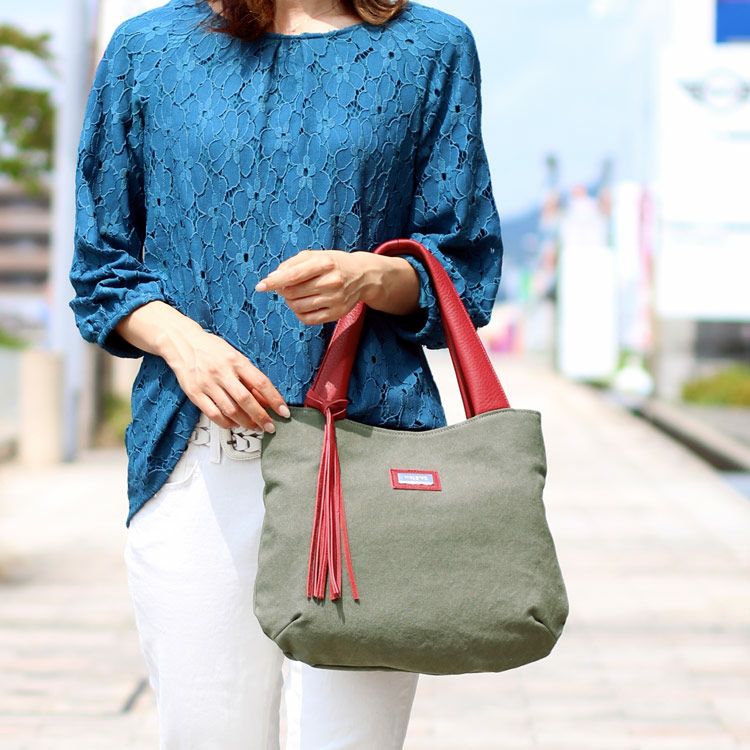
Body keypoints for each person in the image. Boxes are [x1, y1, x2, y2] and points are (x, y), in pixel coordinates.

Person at [68, 0, 504, 747]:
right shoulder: (147, 48)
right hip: (196, 462)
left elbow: (463, 269)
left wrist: (371, 276)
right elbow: (101, 269)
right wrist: (182, 341)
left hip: (365, 463)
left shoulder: (431, 46)